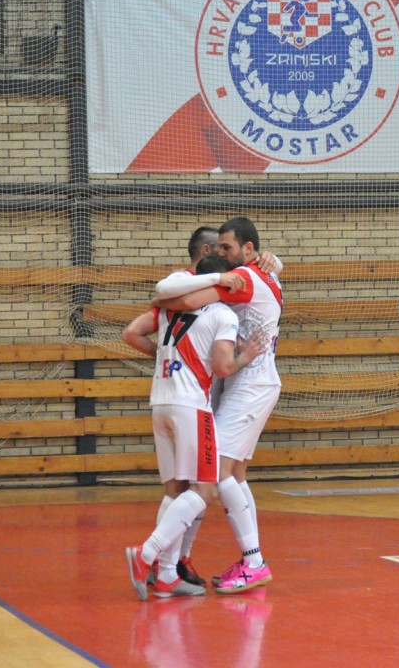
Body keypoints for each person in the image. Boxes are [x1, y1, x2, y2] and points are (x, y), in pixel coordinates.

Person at [140, 226, 280, 588]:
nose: (220, 252)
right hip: (229, 386)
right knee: (226, 475)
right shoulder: (257, 272)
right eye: (217, 247)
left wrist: (159, 304)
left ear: (248, 249)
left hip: (249, 383)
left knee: (211, 475)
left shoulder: (245, 276)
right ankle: (178, 561)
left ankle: (249, 560)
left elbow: (186, 301)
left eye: (226, 246)